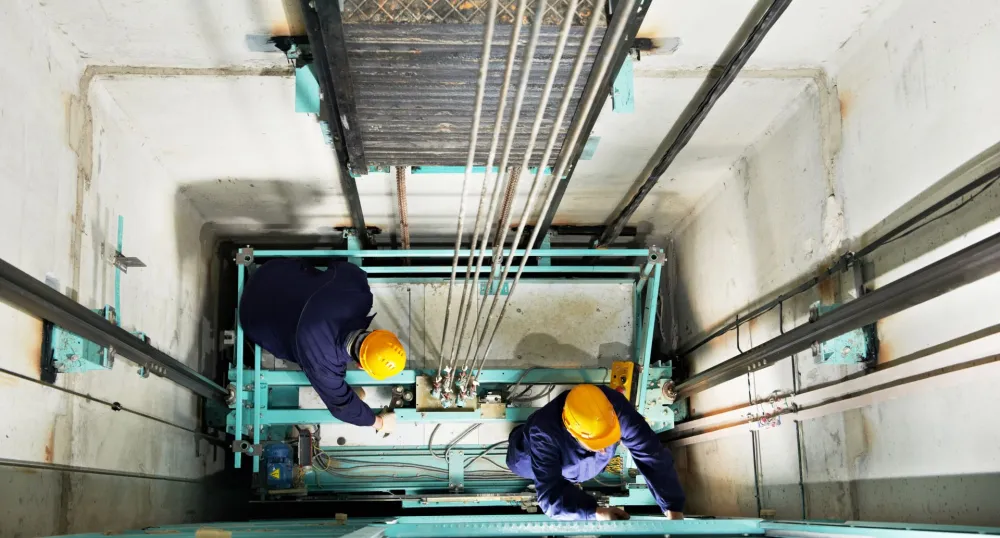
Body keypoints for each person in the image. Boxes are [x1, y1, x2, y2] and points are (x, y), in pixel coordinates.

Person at [238, 257, 405, 434]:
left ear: (377, 333)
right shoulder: (325, 365)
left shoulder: (359, 295)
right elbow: (343, 406)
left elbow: (340, 266)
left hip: (271, 272)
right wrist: (379, 423)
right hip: (252, 316)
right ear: (360, 366)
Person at [506, 383, 685, 520]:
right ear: (572, 432)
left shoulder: (613, 407)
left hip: (577, 463)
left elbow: (651, 453)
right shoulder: (543, 432)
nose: (604, 449)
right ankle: (517, 434)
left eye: (609, 439)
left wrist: (673, 506)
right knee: (517, 460)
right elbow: (550, 497)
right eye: (599, 444)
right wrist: (594, 512)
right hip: (530, 454)